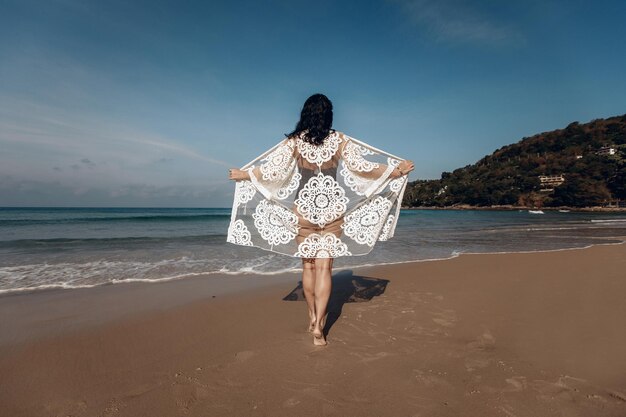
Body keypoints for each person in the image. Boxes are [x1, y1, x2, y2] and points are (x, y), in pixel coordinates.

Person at [228, 94, 414, 346]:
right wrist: (395, 170)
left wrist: (245, 175)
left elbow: (272, 170)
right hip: (332, 208)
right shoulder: (340, 141)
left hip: (303, 208)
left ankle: (312, 316)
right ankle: (320, 327)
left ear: (305, 113)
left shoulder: (294, 142)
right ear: (329, 115)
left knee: (308, 267)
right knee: (325, 267)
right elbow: (363, 167)